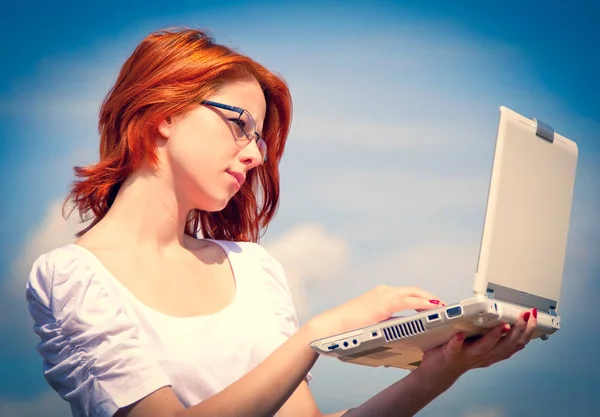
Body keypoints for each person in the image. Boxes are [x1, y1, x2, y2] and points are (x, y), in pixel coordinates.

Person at [25, 28, 537, 417]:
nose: (254, 155)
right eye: (240, 125)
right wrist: (321, 331)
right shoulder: (73, 277)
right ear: (165, 111)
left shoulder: (254, 269)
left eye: (261, 139)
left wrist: (439, 373)